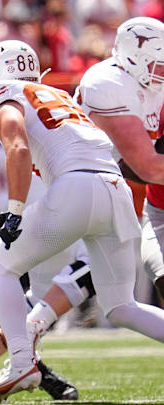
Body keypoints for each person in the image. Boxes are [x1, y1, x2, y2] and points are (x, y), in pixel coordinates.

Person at [0, 39, 164, 402]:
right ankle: (20, 359)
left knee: (1, 268)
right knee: (123, 306)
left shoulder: (1, 92)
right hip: (116, 190)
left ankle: (21, 362)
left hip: (77, 187)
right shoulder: (53, 94)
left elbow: (17, 144)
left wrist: (14, 210)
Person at [75, 16, 164, 299]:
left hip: (116, 190)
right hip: (77, 184)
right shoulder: (109, 82)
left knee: (119, 302)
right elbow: (146, 166)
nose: (161, 71)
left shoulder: (151, 85)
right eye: (156, 63)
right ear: (134, 56)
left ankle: (22, 328)